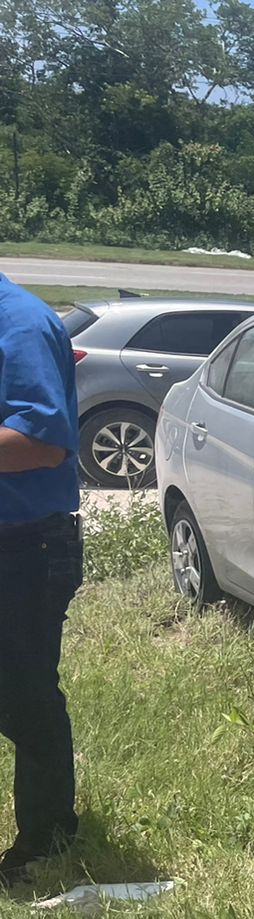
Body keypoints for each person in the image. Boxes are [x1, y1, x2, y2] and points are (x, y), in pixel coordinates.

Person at [0, 272, 83, 887]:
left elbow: (42, 440)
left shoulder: (21, 324)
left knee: (26, 696)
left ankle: (47, 843)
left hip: (26, 547)